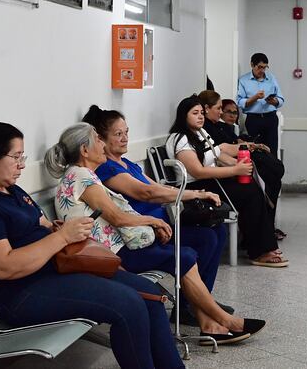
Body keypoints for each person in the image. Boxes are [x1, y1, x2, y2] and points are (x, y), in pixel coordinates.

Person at [0, 121, 184, 369]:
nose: (22, 164)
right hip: (22, 291)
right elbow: (4, 266)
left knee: (151, 295)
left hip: (58, 270)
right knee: (128, 304)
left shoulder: (12, 191)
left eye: (23, 156)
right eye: (16, 157)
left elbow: (40, 223)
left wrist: (56, 229)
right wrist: (62, 237)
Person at [45, 123, 265, 345]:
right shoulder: (82, 177)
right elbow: (117, 217)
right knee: (184, 256)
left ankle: (210, 324)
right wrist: (152, 220)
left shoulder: (81, 175)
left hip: (115, 248)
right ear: (84, 150)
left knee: (186, 253)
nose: (102, 144)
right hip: (109, 255)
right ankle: (225, 321)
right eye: (97, 139)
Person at [81, 105, 228, 305]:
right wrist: (191, 194)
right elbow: (146, 193)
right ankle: (192, 304)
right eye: (118, 134)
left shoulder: (126, 163)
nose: (125, 138)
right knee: (207, 238)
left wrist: (197, 194)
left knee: (218, 231)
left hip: (162, 223)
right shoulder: (107, 168)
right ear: (102, 139)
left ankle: (200, 300)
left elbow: (157, 187)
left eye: (126, 132)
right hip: (148, 231)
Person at [167, 95, 288, 268]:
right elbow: (198, 172)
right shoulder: (180, 139)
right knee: (249, 193)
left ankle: (261, 246)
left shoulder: (200, 133)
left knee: (252, 188)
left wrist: (237, 162)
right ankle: (261, 250)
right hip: (196, 186)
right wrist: (234, 170)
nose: (201, 116)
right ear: (183, 115)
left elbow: (217, 153)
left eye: (202, 112)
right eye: (195, 113)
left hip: (211, 181)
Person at [198, 91, 286, 240]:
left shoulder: (219, 127)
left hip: (232, 165)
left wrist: (249, 146)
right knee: (261, 184)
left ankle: (266, 231)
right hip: (219, 176)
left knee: (272, 179)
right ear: (207, 108)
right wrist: (237, 164)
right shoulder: (200, 132)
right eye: (219, 109)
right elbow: (214, 157)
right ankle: (260, 238)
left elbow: (226, 146)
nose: (221, 113)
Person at [236, 53, 284, 156]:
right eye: (260, 67)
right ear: (252, 65)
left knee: (272, 150)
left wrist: (274, 101)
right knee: (255, 150)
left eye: (265, 67)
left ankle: (272, 172)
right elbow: (239, 102)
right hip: (253, 120)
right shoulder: (243, 80)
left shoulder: (271, 78)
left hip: (270, 118)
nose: (262, 70)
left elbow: (281, 99)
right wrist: (255, 98)